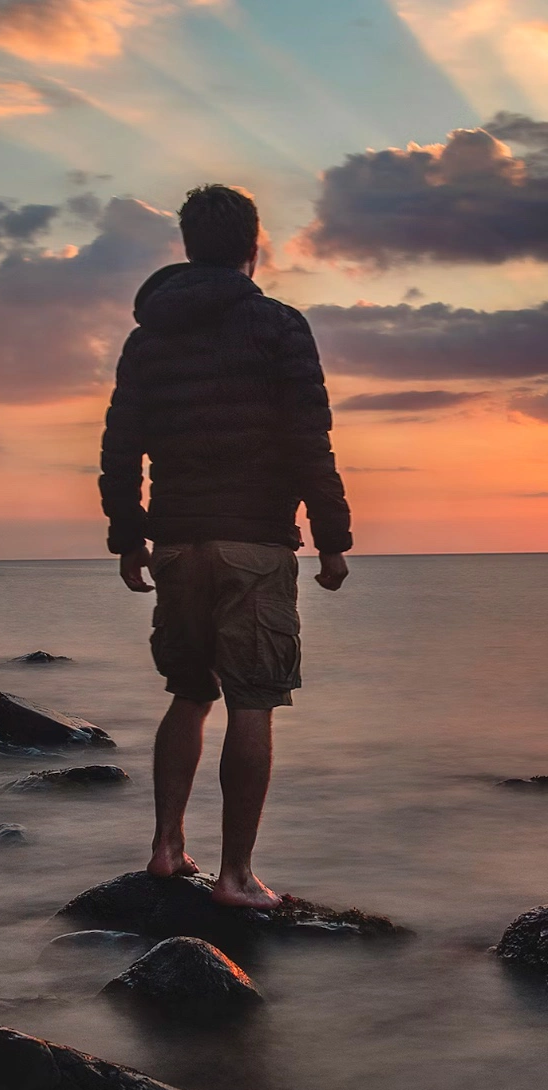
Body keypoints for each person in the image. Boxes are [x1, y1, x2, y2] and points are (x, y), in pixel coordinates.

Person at [98, 184, 353, 910]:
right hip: (254, 543)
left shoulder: (149, 338)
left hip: (177, 542)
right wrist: (332, 540)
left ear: (187, 245)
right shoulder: (278, 327)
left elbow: (121, 445)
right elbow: (310, 437)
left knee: (187, 693)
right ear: (253, 246)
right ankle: (237, 878)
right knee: (252, 701)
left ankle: (166, 848)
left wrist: (128, 535)